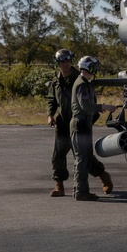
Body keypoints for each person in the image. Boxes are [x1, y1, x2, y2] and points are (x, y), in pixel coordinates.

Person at [70, 55, 117, 201]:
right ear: (88, 67)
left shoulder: (84, 83)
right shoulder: (82, 84)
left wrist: (97, 109)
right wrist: (103, 106)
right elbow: (85, 106)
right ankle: (81, 191)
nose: (95, 70)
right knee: (82, 159)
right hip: (80, 125)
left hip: (83, 124)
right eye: (94, 67)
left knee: (86, 157)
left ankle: (84, 187)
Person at [46, 49, 78, 197]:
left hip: (78, 123)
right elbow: (52, 100)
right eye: (62, 61)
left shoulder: (79, 79)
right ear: (58, 63)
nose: (65, 64)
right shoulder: (56, 81)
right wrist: (50, 115)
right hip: (63, 123)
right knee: (58, 155)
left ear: (71, 61)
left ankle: (103, 175)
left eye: (67, 61)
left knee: (83, 156)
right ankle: (59, 185)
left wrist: (87, 122)